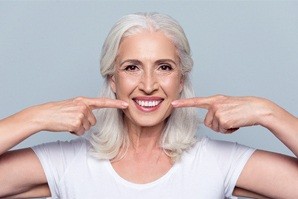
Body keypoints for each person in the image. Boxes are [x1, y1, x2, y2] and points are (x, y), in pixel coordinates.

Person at [0, 12, 297, 199]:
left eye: (164, 67)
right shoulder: (67, 164)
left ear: (181, 79)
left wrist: (266, 112)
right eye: (132, 67)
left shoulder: (215, 162)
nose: (148, 84)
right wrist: (35, 117)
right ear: (112, 78)